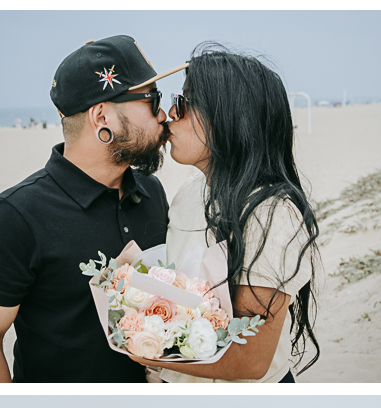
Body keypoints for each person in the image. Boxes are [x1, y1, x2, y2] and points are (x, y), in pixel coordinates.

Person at [0, 35, 187, 384]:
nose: (163, 115)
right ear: (102, 116)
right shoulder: (14, 216)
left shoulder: (151, 191)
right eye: (152, 100)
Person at [129, 45, 320, 385]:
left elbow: (250, 359)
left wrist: (144, 350)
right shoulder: (189, 194)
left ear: (228, 116)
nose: (171, 113)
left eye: (184, 103)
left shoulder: (272, 214)